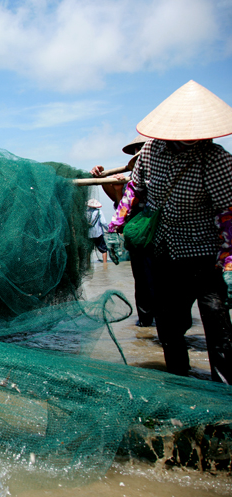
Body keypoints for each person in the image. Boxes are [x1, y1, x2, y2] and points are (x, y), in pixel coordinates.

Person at [109, 80, 232, 383]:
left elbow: (229, 214)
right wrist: (115, 226)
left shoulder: (215, 160)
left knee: (218, 326)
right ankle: (179, 381)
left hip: (205, 256)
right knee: (169, 324)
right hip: (163, 250)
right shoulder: (151, 151)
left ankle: (224, 394)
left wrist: (228, 259)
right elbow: (133, 192)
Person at [91, 136, 155, 326]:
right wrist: (109, 182)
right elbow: (121, 207)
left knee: (162, 282)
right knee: (142, 281)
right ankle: (145, 325)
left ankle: (164, 322)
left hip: (161, 236)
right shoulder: (130, 181)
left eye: (143, 148)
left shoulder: (161, 175)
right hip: (138, 238)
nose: (141, 152)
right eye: (138, 149)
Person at [86, 199, 109, 263]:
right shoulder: (99, 212)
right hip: (98, 233)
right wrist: (108, 229)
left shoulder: (85, 212)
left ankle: (88, 264)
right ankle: (105, 264)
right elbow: (103, 222)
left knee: (88, 250)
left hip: (89, 234)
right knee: (103, 250)